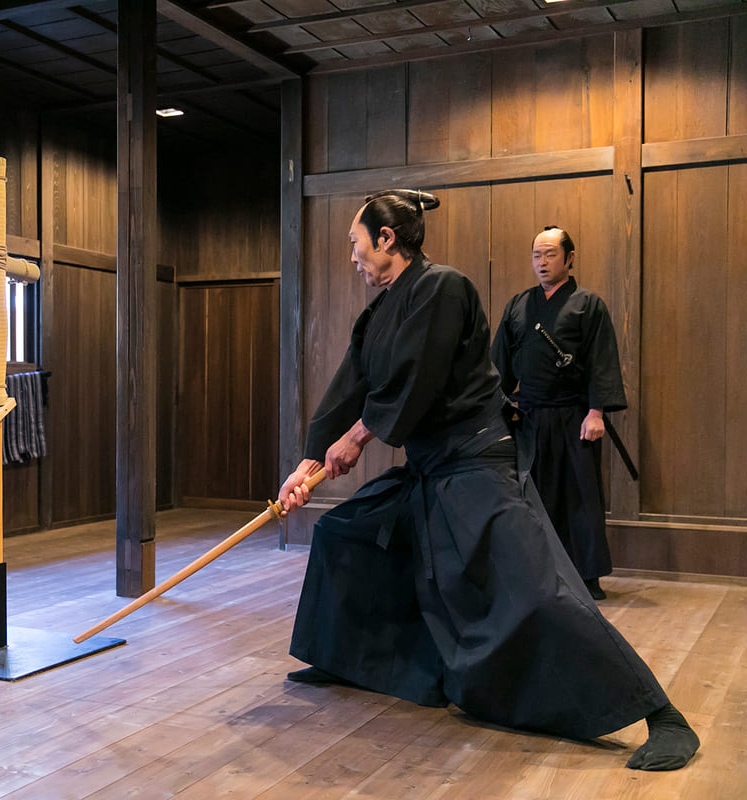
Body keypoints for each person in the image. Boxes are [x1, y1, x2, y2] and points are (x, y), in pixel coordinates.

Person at [278, 191, 699, 771]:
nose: (351, 257)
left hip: (477, 462)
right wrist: (305, 467)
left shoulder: (443, 287)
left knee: (539, 587)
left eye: (356, 244)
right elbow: (350, 384)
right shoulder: (379, 312)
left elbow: (416, 378)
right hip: (429, 470)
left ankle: (661, 714)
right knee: (345, 532)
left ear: (386, 238)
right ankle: (348, 659)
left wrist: (356, 439)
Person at [490, 227, 624, 600]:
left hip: (574, 414)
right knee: (532, 494)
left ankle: (587, 576)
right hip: (529, 414)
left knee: (580, 495)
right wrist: (496, 411)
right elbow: (499, 364)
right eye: (537, 255)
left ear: (569, 258)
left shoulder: (587, 304)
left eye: (550, 254)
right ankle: (537, 572)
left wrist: (596, 412)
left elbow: (601, 360)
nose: (542, 262)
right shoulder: (518, 305)